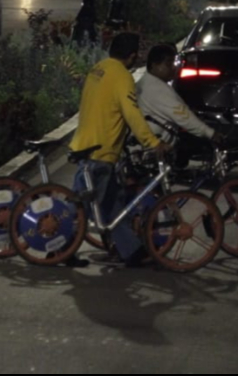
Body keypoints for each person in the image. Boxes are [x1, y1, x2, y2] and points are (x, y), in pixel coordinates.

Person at [69, 32, 167, 267]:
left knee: (113, 204)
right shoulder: (122, 77)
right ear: (132, 56)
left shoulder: (98, 68)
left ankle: (132, 252)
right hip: (101, 152)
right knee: (85, 209)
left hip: (84, 144)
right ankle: (60, 248)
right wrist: (152, 142)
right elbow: (131, 113)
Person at [136, 43, 224, 146]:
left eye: (174, 63)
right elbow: (183, 116)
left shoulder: (145, 83)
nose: (173, 68)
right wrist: (211, 133)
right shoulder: (156, 88)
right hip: (154, 151)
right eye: (168, 64)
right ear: (154, 65)